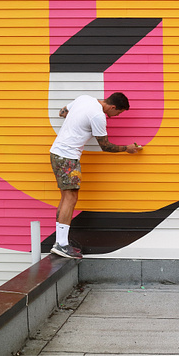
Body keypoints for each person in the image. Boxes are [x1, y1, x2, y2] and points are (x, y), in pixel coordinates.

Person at [49, 92, 142, 258]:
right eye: (118, 113)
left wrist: (75, 123)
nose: (116, 116)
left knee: (66, 197)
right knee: (70, 198)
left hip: (57, 153)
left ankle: (60, 242)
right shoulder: (98, 116)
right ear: (112, 107)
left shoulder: (84, 99)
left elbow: (62, 112)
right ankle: (61, 244)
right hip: (68, 157)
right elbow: (105, 146)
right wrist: (126, 149)